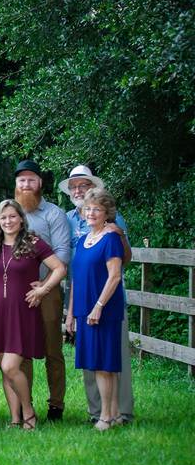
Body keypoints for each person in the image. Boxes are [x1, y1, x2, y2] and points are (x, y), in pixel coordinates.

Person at [0, 200, 66, 430]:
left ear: (20, 219)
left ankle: (29, 412)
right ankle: (15, 418)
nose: (8, 221)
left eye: (12, 216)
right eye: (4, 217)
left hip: (22, 313)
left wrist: (43, 289)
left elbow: (60, 268)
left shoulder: (33, 242)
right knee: (4, 370)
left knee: (10, 366)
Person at [59, 165, 134, 423]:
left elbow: (123, 260)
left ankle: (120, 412)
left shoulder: (113, 225)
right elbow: (74, 271)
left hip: (107, 300)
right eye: (74, 187)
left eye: (83, 185)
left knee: (113, 359)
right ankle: (97, 412)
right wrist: (70, 310)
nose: (79, 191)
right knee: (92, 362)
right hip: (82, 301)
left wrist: (119, 234)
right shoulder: (69, 221)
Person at [14, 159, 71, 421]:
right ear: (16, 184)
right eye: (21, 180)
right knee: (22, 350)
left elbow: (62, 253)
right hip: (19, 292)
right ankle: (27, 406)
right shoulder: (11, 214)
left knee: (52, 350)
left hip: (48, 290)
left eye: (31, 180)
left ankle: (56, 405)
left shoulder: (53, 214)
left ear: (40, 183)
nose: (26, 185)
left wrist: (45, 285)